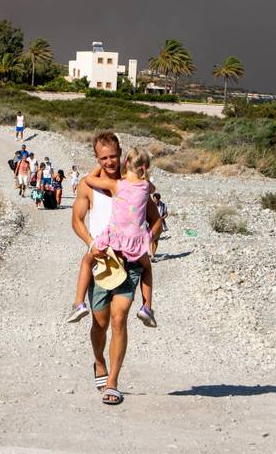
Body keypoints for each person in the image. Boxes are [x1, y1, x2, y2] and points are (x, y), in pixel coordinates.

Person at [69, 132, 163, 406]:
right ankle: (99, 363)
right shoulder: (90, 187)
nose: (110, 162)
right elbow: (77, 219)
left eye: (113, 156)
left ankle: (113, 382)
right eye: (103, 158)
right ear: (96, 159)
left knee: (119, 317)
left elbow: (156, 220)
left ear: (121, 153)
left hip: (130, 259)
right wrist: (90, 243)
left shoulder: (134, 183)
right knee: (100, 322)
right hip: (101, 259)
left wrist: (149, 239)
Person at [150, 193, 169, 261]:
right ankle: (152, 255)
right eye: (154, 199)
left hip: (160, 224)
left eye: (156, 200)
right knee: (151, 238)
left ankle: (153, 254)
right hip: (151, 223)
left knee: (156, 240)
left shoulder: (163, 205)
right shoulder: (150, 205)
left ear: (159, 199)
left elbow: (166, 214)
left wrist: (162, 218)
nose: (155, 201)